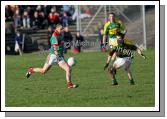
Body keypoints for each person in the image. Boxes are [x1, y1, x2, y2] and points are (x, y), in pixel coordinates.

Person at [26, 24, 78, 89]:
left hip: (59, 56)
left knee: (68, 69)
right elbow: (55, 48)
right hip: (53, 56)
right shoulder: (54, 36)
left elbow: (62, 44)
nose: (62, 30)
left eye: (62, 29)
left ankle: (69, 84)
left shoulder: (61, 34)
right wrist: (58, 55)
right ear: (57, 29)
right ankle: (31, 70)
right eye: (61, 29)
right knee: (43, 71)